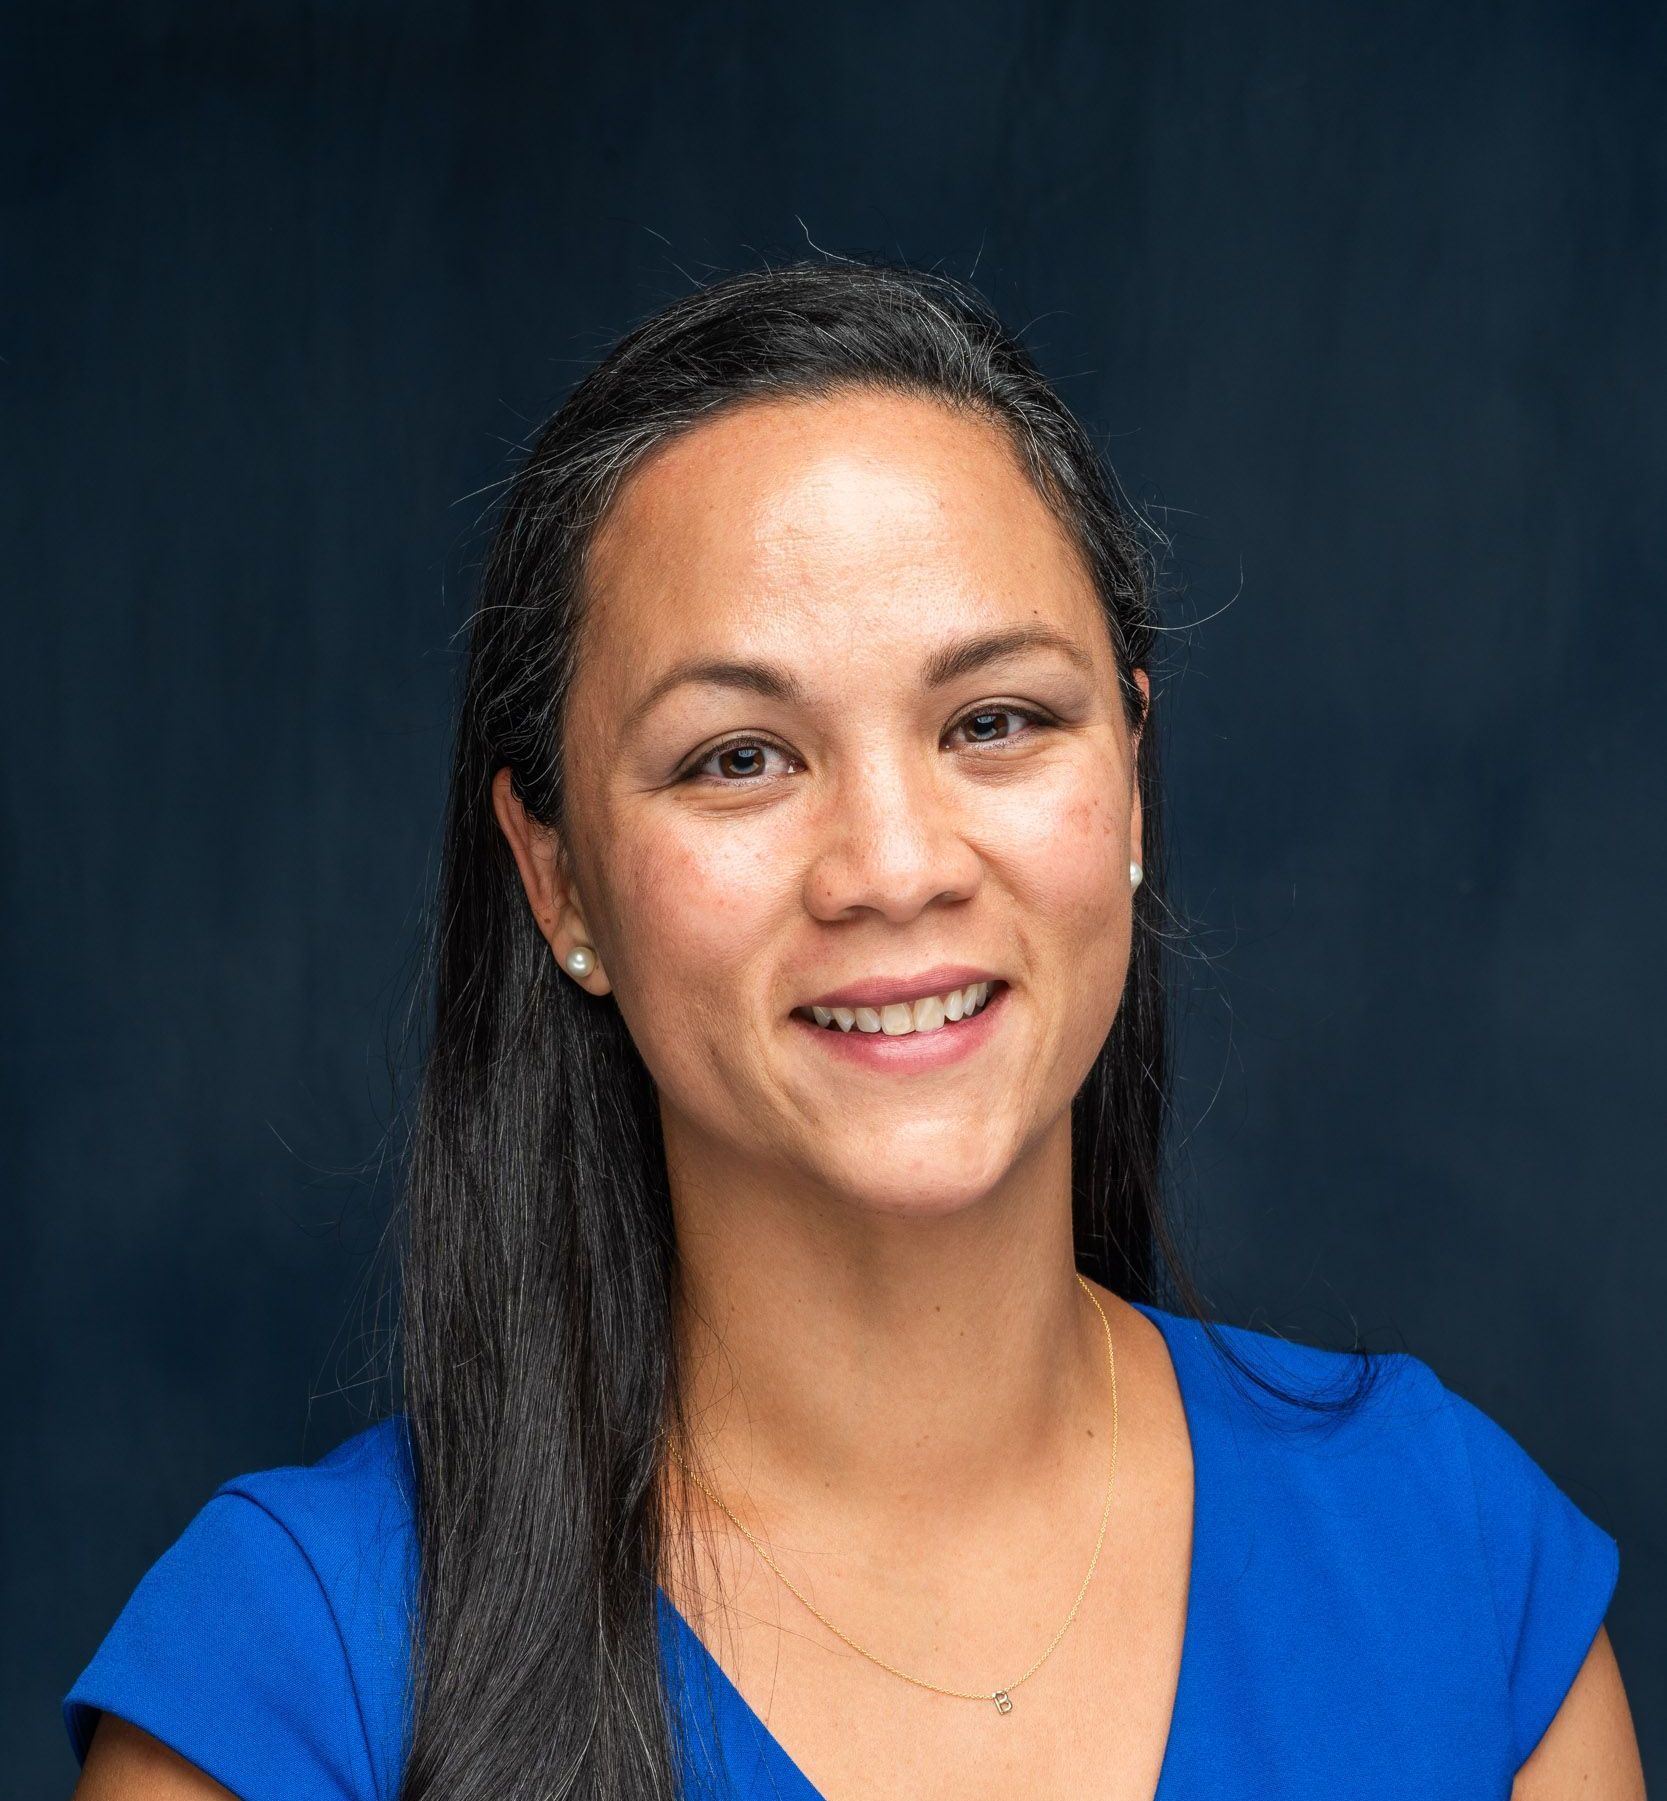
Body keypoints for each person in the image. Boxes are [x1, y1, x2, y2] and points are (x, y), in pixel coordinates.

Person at [62, 259, 1643, 1800]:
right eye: (739, 756)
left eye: (996, 722)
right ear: (558, 879)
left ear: (1135, 780)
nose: (894, 866)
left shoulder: (1452, 1560)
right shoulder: (294, 1678)